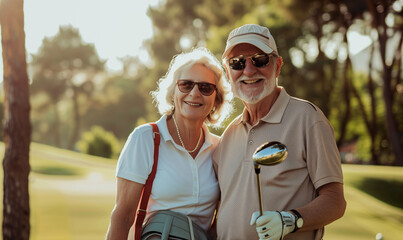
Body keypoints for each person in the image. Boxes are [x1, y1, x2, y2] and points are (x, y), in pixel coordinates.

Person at [213, 24, 346, 240]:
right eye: (237, 63)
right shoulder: (229, 135)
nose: (248, 70)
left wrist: (290, 220)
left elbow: (335, 201)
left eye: (259, 59)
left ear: (278, 66)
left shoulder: (308, 119)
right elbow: (222, 210)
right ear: (228, 73)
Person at [106, 47, 233, 240]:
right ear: (173, 92)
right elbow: (122, 217)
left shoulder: (220, 148)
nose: (195, 93)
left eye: (205, 88)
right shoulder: (146, 138)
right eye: (186, 85)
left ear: (216, 99)